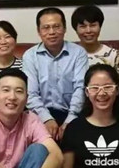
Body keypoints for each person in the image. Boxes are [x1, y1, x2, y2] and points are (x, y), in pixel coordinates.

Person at [23, 8, 88, 141]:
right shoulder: (30, 55)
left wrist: (70, 119)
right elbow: (30, 93)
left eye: (56, 26)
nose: (52, 32)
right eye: (46, 28)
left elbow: (80, 88)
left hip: (72, 112)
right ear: (39, 31)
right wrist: (46, 119)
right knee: (42, 145)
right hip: (39, 113)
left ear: (65, 29)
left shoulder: (78, 53)